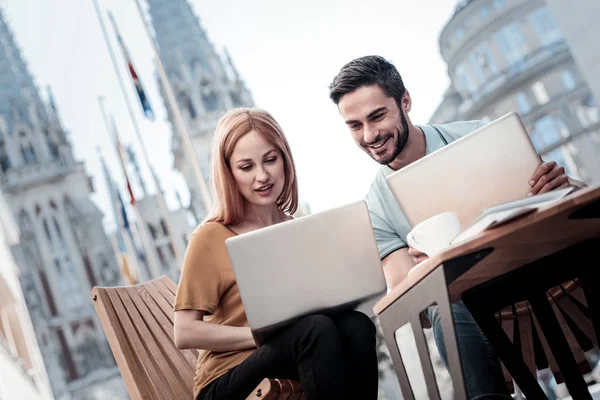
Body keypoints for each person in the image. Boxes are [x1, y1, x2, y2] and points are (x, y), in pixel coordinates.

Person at [328, 55, 587, 399]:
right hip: (483, 319)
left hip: (559, 285)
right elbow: (417, 304)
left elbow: (579, 213)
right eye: (354, 125)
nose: (369, 135)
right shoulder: (375, 208)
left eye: (377, 116)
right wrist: (426, 270)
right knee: (444, 304)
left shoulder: (481, 134)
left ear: (405, 101)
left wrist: (565, 187)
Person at [173, 107, 379, 400]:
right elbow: (184, 332)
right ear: (229, 173)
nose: (262, 176)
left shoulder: (296, 229)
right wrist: (258, 336)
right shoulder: (210, 236)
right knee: (314, 330)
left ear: (285, 160)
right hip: (226, 382)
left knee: (357, 326)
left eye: (270, 160)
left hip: (295, 352)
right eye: (246, 167)